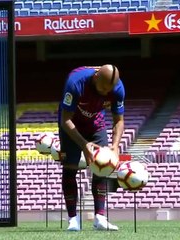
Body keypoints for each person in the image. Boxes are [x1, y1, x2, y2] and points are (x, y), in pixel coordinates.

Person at [57, 64, 125, 231]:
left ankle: (100, 218)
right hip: (71, 124)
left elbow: (119, 120)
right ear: (96, 77)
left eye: (107, 91)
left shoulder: (118, 89)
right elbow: (65, 120)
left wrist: (115, 146)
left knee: (102, 166)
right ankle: (73, 219)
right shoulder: (75, 83)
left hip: (96, 124)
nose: (104, 93)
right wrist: (84, 144)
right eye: (102, 89)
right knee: (70, 168)